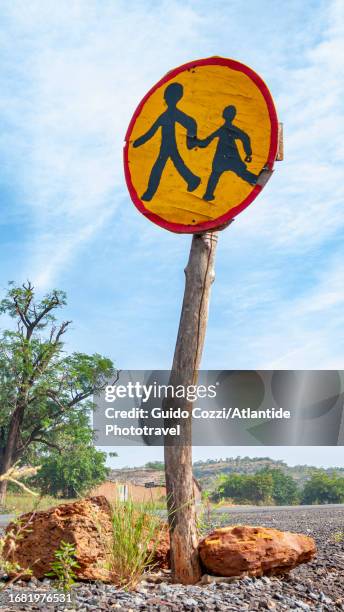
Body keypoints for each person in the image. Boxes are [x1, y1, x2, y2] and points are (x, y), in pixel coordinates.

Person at [133, 82, 201, 201]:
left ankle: (150, 192)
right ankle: (192, 180)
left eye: (167, 96)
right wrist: (137, 142)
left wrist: (190, 141)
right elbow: (151, 131)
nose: (165, 98)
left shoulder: (172, 113)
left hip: (168, 146)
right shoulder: (165, 115)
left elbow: (191, 123)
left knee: (160, 167)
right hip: (168, 146)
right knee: (174, 164)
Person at [194, 105, 258, 201]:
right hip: (232, 157)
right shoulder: (232, 129)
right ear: (233, 116)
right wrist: (248, 153)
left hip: (221, 158)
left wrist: (197, 142)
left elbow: (206, 142)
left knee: (215, 175)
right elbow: (245, 138)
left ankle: (208, 195)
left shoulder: (221, 129)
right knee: (241, 172)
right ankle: (254, 180)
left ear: (224, 115)